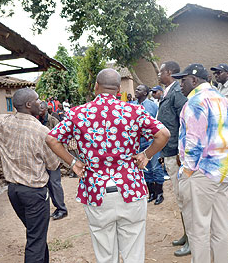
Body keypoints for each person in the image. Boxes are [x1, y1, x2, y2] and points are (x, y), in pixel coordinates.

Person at [45, 68, 170, 263]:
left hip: (96, 191)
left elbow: (52, 138)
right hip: (131, 188)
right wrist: (146, 155)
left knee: (105, 254)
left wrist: (73, 163)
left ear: (96, 86)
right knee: (134, 252)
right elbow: (163, 134)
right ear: (119, 89)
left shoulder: (77, 113)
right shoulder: (134, 111)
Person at [0, 72, 59, 263]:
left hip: (14, 192)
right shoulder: (42, 131)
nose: (40, 102)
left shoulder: (3, 123)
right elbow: (53, 164)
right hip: (35, 193)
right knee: (35, 239)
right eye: (37, 100)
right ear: (28, 105)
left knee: (36, 234)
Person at [173, 64, 228, 263]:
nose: (180, 85)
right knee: (221, 223)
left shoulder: (195, 102)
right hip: (225, 169)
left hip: (201, 171)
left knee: (198, 227)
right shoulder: (224, 99)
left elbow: (193, 143)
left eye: (183, 80)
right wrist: (221, 134)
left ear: (194, 80)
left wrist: (186, 171)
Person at [157, 61, 190, 257]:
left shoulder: (177, 92)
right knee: (180, 198)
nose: (158, 74)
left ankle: (192, 239)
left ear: (169, 72)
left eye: (161, 71)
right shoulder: (171, 91)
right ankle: (187, 235)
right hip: (169, 152)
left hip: (176, 154)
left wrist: (180, 150)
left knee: (184, 199)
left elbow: (184, 123)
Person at [133, 84, 165, 205]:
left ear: (145, 93)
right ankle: (151, 193)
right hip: (138, 141)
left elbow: (158, 124)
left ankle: (159, 193)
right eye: (136, 89)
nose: (136, 90)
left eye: (139, 89)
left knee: (156, 166)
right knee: (145, 167)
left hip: (151, 140)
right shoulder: (132, 106)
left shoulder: (152, 106)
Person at [38, 102, 68, 221]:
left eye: (41, 109)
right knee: (48, 185)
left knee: (55, 184)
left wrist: (61, 156)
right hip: (42, 158)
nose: (39, 111)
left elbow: (61, 138)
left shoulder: (53, 121)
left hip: (53, 158)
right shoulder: (37, 121)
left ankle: (62, 209)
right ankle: (57, 208)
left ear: (45, 109)